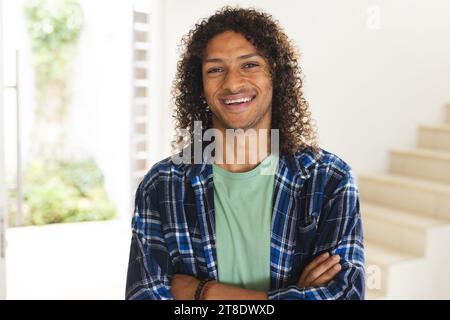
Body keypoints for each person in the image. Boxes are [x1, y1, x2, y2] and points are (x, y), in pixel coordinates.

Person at [125, 6, 365, 300]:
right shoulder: (162, 184)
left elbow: (346, 296)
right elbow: (143, 296)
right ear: (199, 85)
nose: (232, 83)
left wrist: (205, 292)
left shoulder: (329, 179)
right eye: (215, 69)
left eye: (249, 65)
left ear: (275, 75)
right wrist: (295, 295)